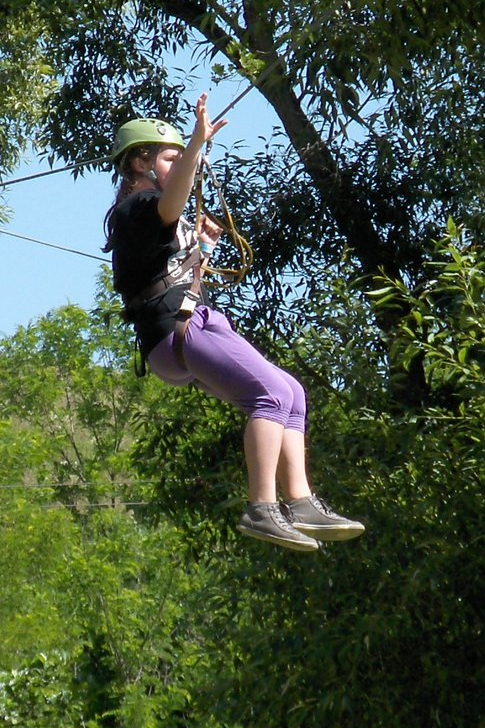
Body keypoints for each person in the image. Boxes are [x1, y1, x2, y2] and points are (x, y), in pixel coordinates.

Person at [104, 95, 365, 553]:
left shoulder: (161, 219)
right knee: (268, 396)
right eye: (170, 156)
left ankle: (299, 500)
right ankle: (262, 507)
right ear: (140, 161)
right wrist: (196, 144)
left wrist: (200, 249)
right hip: (179, 332)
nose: (183, 163)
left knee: (292, 394)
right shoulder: (138, 208)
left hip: (191, 327)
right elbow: (171, 202)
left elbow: (186, 279)